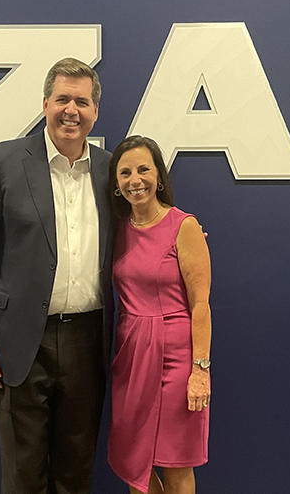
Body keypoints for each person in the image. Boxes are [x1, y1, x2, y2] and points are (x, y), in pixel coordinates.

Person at [0, 57, 115, 494]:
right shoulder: (2, 161)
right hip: (18, 341)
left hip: (89, 340)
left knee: (76, 470)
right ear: (45, 103)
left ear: (95, 111)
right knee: (23, 473)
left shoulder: (109, 170)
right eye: (62, 98)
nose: (71, 110)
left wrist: (181, 231)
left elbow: (142, 227)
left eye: (81, 101)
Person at [107, 136, 212, 494]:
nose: (135, 179)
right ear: (116, 185)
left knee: (175, 461)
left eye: (143, 169)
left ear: (159, 175)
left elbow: (200, 304)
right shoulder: (116, 229)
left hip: (176, 357)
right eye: (125, 173)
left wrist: (200, 370)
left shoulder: (183, 226)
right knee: (132, 460)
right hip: (132, 355)